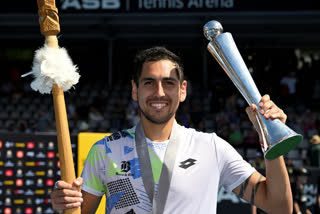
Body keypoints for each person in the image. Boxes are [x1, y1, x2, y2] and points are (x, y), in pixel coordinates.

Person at [50, 47, 293, 214]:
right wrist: (64, 205)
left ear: (182, 89)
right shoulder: (105, 150)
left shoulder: (211, 147)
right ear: (135, 90)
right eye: (149, 82)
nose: (159, 92)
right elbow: (77, 212)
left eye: (169, 82)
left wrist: (271, 141)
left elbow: (279, 207)